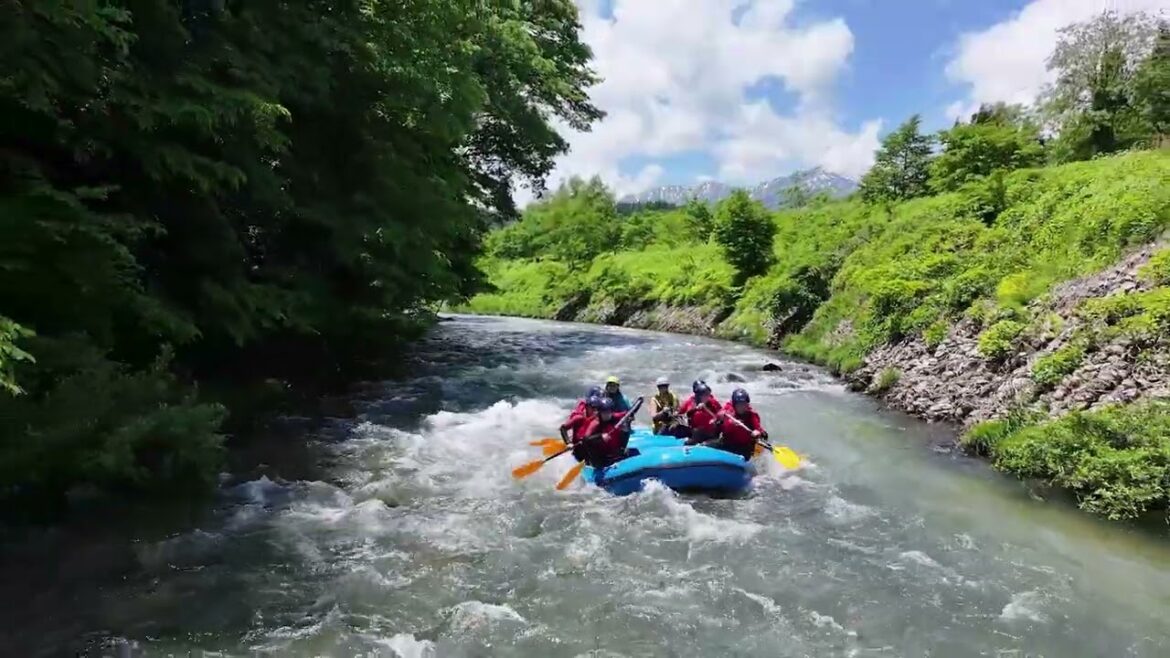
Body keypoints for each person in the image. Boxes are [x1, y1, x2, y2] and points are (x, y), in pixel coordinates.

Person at [572, 397, 632, 468]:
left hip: (611, 451)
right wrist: (600, 437)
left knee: (625, 429)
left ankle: (619, 452)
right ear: (600, 412)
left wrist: (629, 420)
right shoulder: (595, 423)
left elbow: (626, 414)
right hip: (599, 457)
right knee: (591, 442)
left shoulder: (613, 416)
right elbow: (585, 439)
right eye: (604, 412)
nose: (607, 414)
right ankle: (598, 465)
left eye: (609, 412)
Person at [715, 388, 767, 460]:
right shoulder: (728, 410)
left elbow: (758, 429)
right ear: (734, 404)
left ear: (747, 404)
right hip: (727, 443)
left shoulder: (752, 414)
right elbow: (719, 414)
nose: (741, 407)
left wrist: (757, 432)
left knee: (763, 437)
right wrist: (722, 416)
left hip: (744, 447)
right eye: (739, 404)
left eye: (743, 404)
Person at [680, 379, 723, 444]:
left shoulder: (713, 402)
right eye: (704, 394)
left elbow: (721, 415)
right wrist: (695, 409)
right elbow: (682, 417)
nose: (707, 397)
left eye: (707, 394)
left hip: (711, 432)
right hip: (696, 433)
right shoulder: (690, 403)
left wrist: (714, 417)